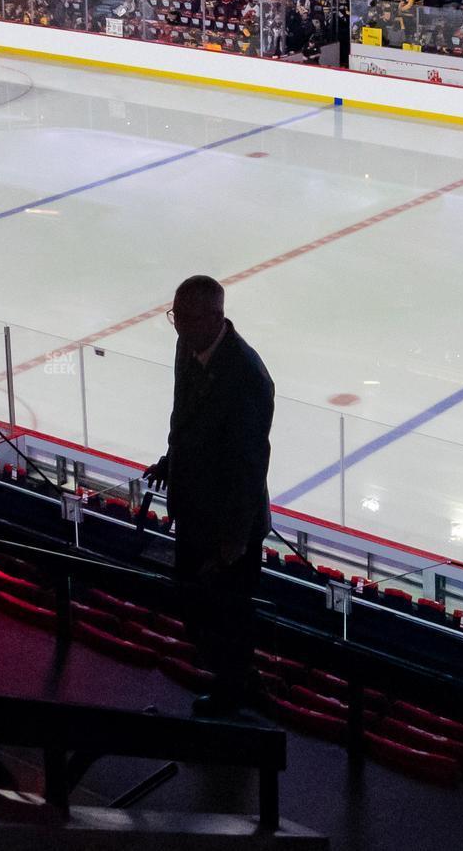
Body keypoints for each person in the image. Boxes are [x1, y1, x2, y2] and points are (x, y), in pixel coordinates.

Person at [146, 274, 275, 717]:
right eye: (175, 317)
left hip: (228, 529)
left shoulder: (248, 376)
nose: (178, 326)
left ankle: (235, 699)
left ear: (216, 316)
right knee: (193, 609)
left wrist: (234, 541)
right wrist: (170, 459)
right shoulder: (188, 345)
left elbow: (249, 465)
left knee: (227, 620)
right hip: (192, 512)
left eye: (186, 317)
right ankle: (240, 686)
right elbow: (183, 414)